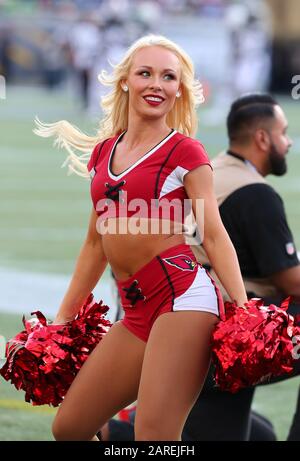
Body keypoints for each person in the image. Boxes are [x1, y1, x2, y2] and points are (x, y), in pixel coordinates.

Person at [34, 34, 248, 441]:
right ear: (125, 81)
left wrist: (243, 310)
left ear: (179, 89)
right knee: (71, 427)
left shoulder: (186, 152)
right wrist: (62, 320)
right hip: (135, 312)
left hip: (184, 301)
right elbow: (95, 245)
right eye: (145, 73)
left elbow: (215, 236)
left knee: (154, 436)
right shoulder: (104, 153)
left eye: (168, 77)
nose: (157, 84)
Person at [186, 93, 300, 441]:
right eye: (284, 132)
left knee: (257, 436)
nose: (290, 141)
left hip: (178, 330)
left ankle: (111, 431)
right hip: (217, 339)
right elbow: (291, 282)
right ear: (263, 138)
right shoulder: (254, 192)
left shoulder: (212, 171)